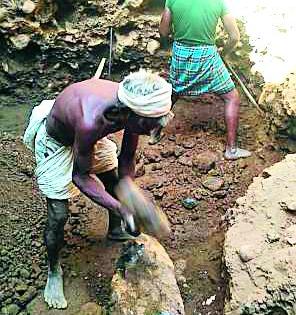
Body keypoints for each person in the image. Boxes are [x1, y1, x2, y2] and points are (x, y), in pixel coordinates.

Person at [23, 69, 173, 309]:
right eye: (150, 126)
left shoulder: (130, 107)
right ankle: (54, 270)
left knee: (114, 181)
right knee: (59, 213)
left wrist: (131, 194)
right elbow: (81, 177)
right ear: (133, 116)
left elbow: (127, 158)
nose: (152, 132)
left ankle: (115, 230)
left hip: (89, 136)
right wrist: (122, 208)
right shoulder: (91, 121)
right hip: (57, 140)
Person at [155, 0, 251, 160]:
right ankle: (231, 150)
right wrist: (223, 53)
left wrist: (172, 46)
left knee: (173, 93)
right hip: (207, 54)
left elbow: (163, 32)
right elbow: (234, 37)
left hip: (181, 52)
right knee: (231, 97)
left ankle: (154, 132)